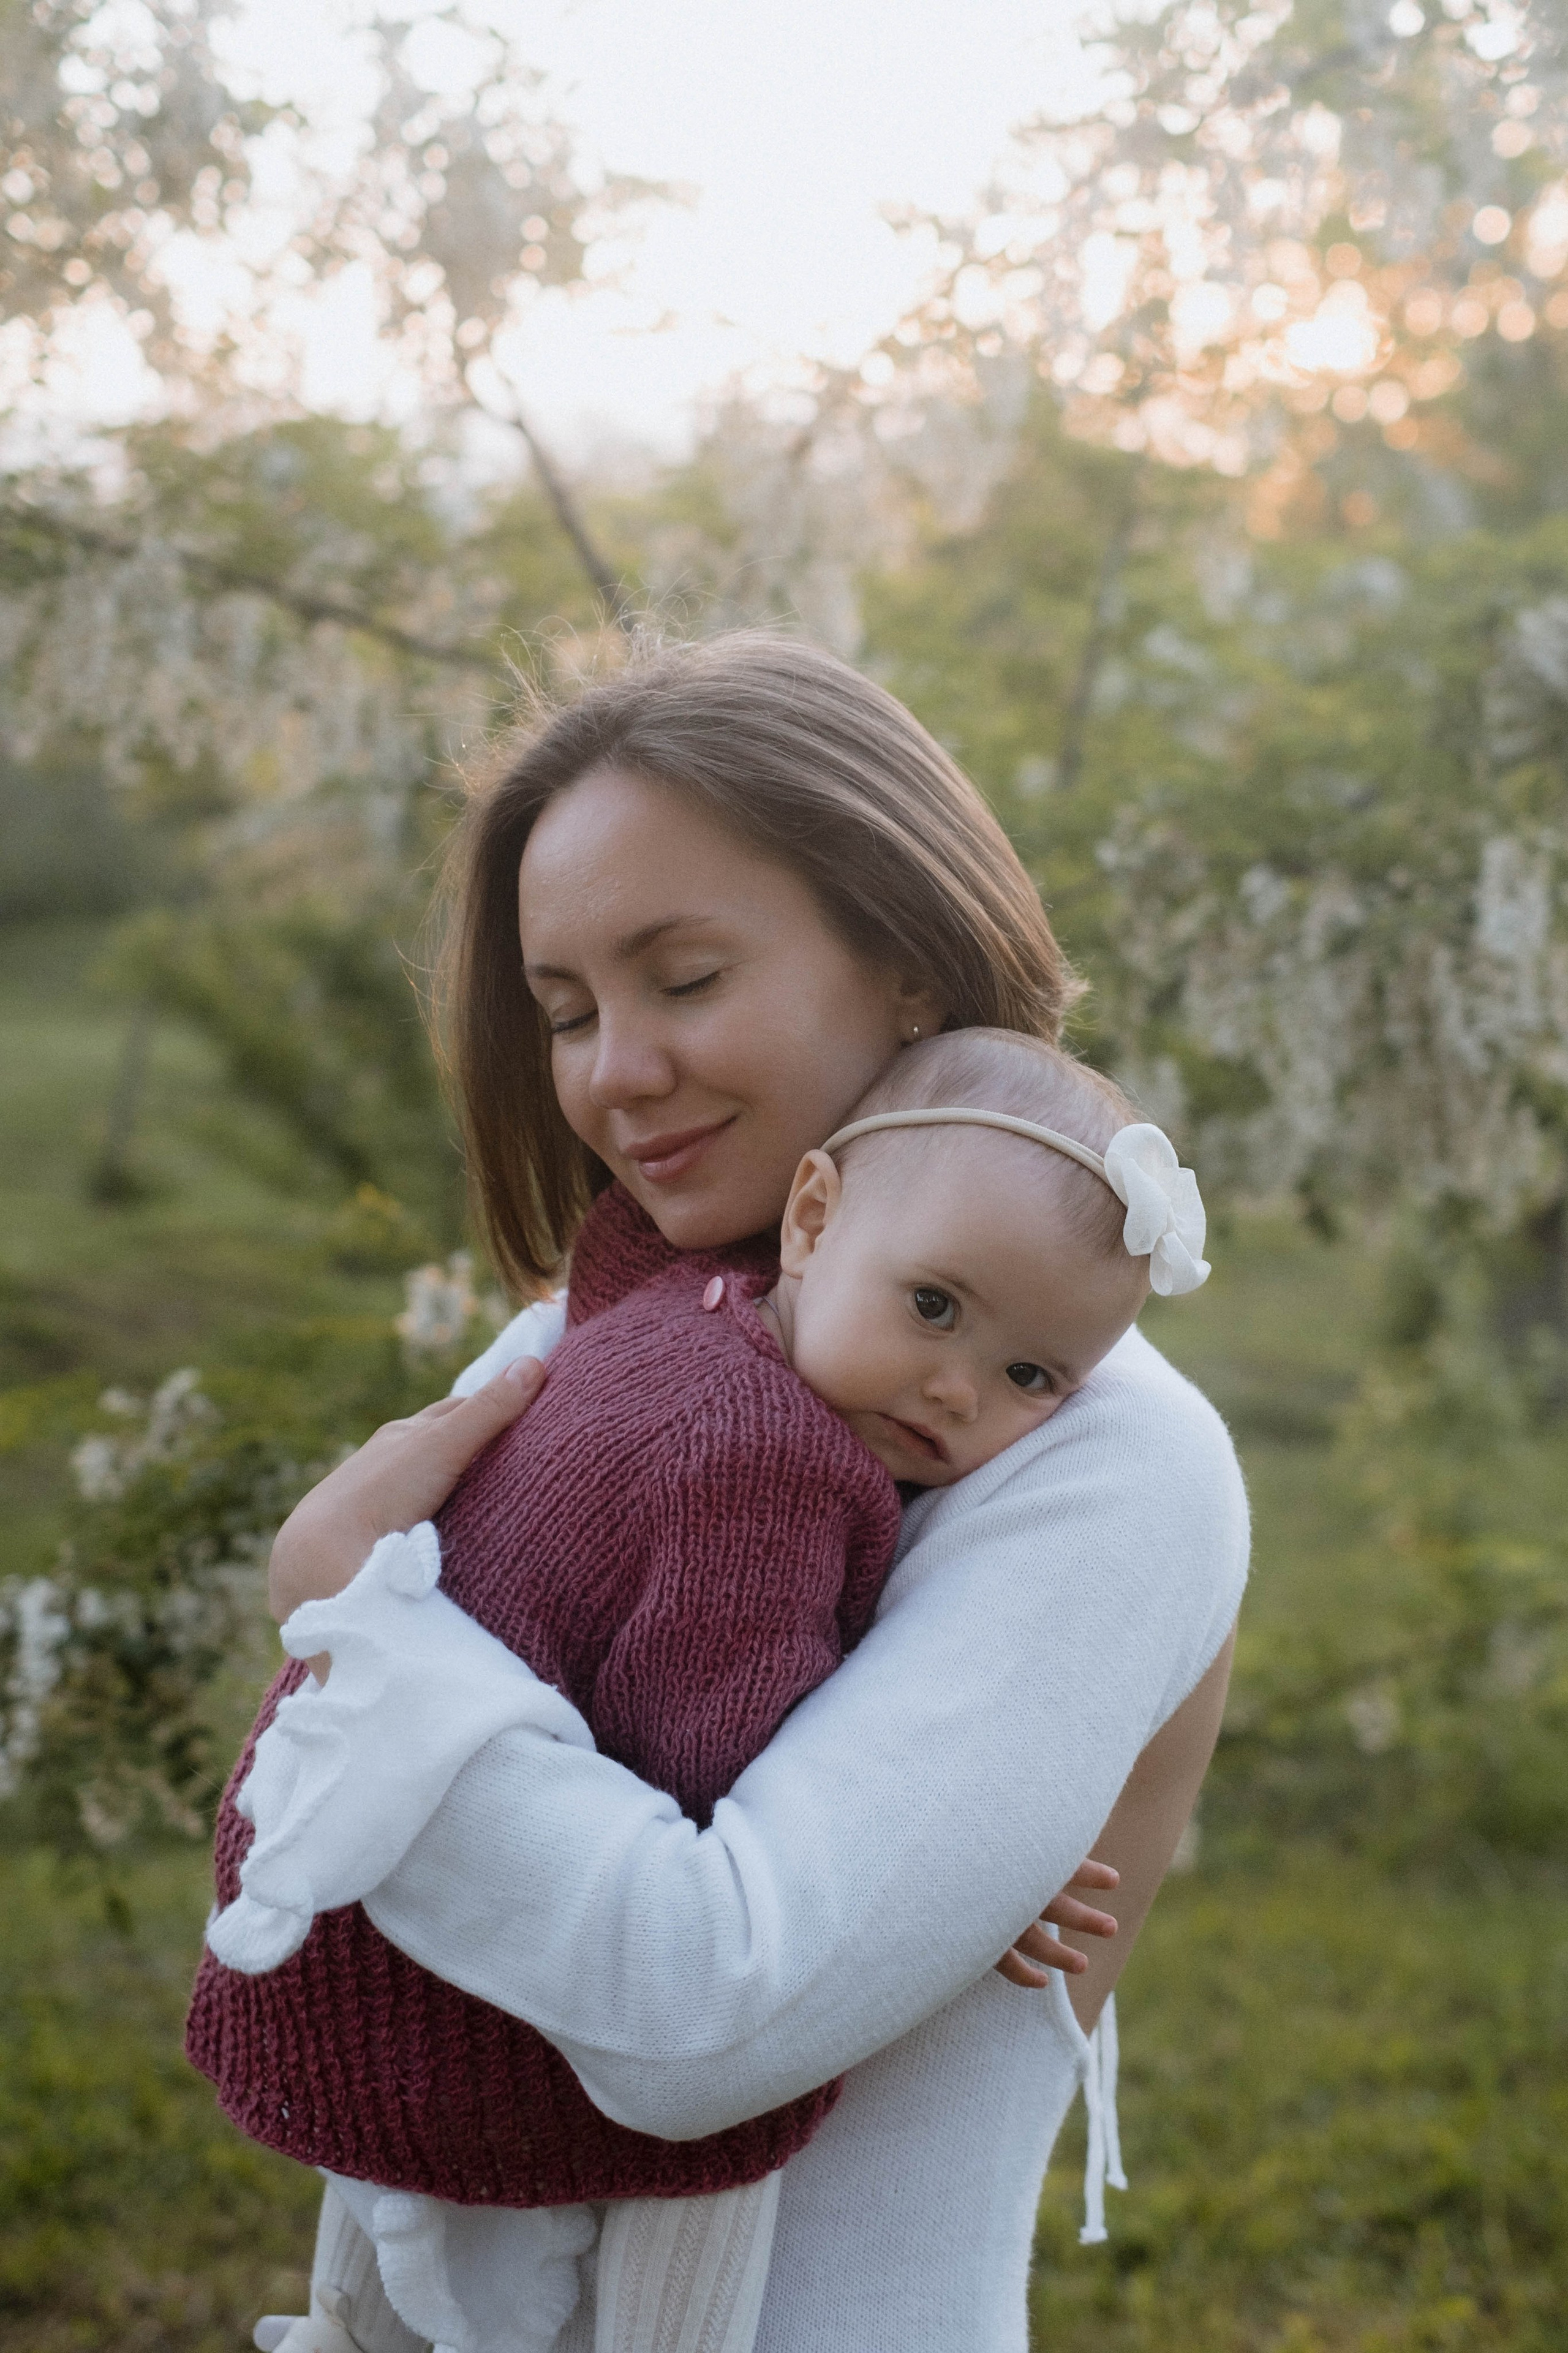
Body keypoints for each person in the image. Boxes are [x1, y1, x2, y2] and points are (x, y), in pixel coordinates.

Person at [233, 632, 1249, 2353]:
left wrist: (365, 1636)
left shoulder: (1105, 1461)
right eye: (566, 1011)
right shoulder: (590, 1340)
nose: (613, 1070)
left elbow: (700, 2007)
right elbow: (302, 1865)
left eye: (685, 977)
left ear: (913, 968)